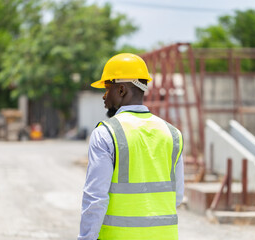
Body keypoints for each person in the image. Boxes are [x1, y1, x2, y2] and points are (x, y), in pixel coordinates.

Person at [78, 53, 184, 240]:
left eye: (106, 88)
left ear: (121, 90)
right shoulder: (172, 134)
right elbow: (177, 197)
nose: (104, 96)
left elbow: (95, 199)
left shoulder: (106, 133)